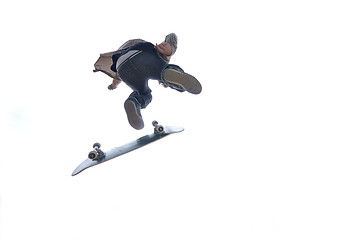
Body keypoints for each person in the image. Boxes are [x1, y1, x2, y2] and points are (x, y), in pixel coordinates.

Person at [93, 33, 202, 130]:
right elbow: (172, 36)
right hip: (143, 53)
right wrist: (170, 49)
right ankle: (168, 77)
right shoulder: (161, 56)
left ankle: (134, 102)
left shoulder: (126, 50)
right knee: (162, 71)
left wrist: (113, 86)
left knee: (143, 93)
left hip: (121, 66)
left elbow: (117, 79)